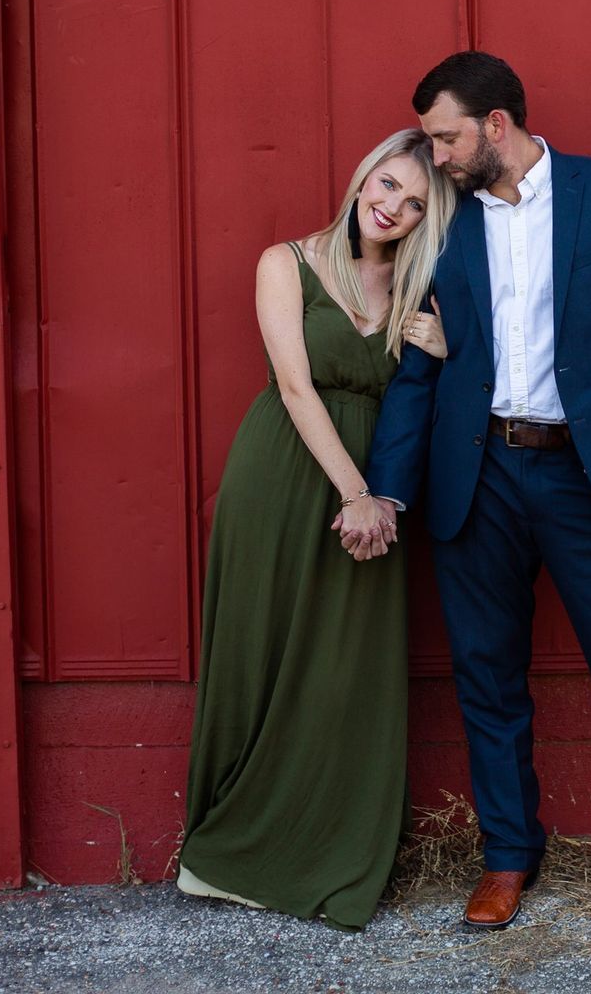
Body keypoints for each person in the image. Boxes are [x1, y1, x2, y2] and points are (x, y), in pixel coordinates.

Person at [346, 51, 591, 928]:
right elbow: (418, 369)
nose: (434, 158)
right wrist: (391, 491)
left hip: (587, 476)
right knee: (486, 675)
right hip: (475, 477)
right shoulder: (443, 224)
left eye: (445, 137)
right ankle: (508, 855)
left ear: (496, 125)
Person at [179, 130, 456, 930]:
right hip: (290, 477)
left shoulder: (419, 286)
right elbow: (297, 389)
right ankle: (225, 855)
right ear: (364, 174)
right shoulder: (286, 264)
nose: (393, 207)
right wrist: (356, 494)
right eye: (389, 184)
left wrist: (446, 347)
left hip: (378, 497)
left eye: (413, 204)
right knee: (265, 651)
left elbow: (450, 395)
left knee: (346, 669)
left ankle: (324, 852)